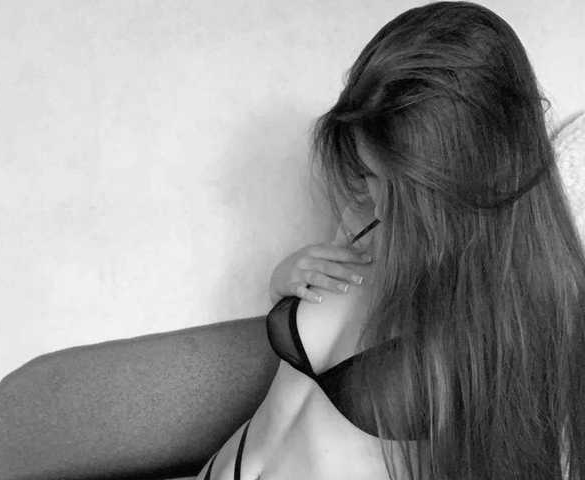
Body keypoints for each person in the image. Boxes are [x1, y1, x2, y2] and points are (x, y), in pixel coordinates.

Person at [195, 2, 585, 479]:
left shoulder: (526, 313)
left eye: (401, 191)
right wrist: (284, 282)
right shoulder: (363, 218)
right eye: (368, 173)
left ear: (468, 179)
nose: (374, 203)